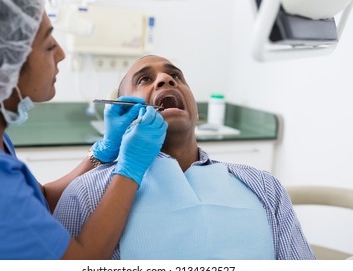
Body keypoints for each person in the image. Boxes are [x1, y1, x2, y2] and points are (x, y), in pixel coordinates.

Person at [54, 55, 316, 260]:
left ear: (196, 112)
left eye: (175, 75)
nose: (166, 79)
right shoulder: (88, 193)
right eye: (144, 79)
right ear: (125, 113)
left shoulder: (265, 187)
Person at [0, 0, 167, 260]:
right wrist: (129, 170)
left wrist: (102, 153)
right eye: (49, 45)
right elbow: (81, 263)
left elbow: (40, 201)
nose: (61, 54)